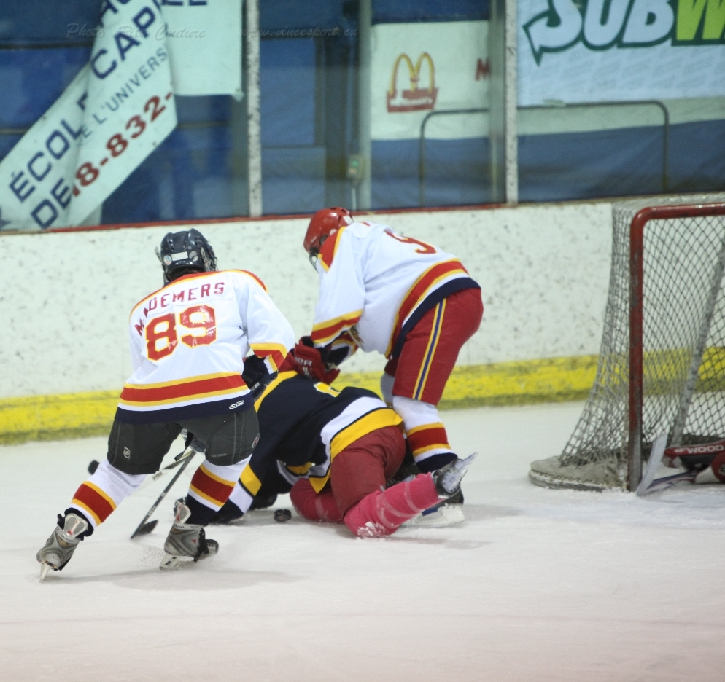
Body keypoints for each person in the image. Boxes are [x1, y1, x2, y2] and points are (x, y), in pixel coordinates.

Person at [36, 229, 295, 577]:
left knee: (118, 474)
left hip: (143, 402)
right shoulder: (238, 282)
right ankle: (187, 532)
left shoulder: (142, 309)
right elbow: (279, 342)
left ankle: (70, 527)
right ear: (207, 259)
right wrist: (247, 382)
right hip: (219, 397)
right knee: (232, 458)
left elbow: (153, 374)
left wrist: (187, 421)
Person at [285, 207, 483, 520]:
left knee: (411, 403)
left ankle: (442, 486)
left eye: (316, 252)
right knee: (391, 385)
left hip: (438, 304)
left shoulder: (340, 241)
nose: (319, 259)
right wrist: (327, 356)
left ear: (321, 240)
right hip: (441, 302)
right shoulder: (372, 244)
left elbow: (339, 311)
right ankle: (412, 462)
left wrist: (315, 347)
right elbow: (359, 323)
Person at [211, 369, 474, 537]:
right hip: (388, 430)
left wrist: (203, 509)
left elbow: (235, 499)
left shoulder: (256, 414)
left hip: (354, 441)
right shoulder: (285, 378)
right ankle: (396, 487)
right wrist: (264, 490)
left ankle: (434, 487)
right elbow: (288, 469)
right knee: (303, 493)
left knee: (362, 520)